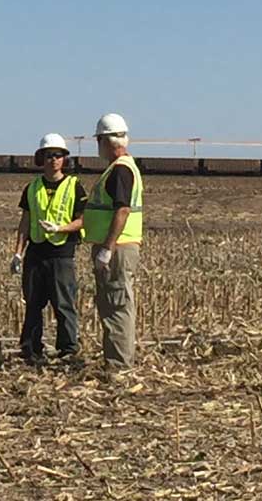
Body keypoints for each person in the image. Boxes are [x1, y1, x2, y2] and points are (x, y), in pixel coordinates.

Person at [10, 133, 87, 365]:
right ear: (40, 158)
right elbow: (25, 222)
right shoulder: (32, 188)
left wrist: (61, 228)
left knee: (63, 303)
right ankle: (31, 348)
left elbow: (84, 220)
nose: (53, 160)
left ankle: (68, 349)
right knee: (33, 302)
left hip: (61, 253)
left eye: (58, 155)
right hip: (36, 252)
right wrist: (17, 253)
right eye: (48, 155)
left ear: (64, 159)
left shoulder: (75, 186)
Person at [82, 113, 144, 371]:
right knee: (113, 304)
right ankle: (115, 361)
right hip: (119, 246)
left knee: (117, 305)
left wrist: (107, 248)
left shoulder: (120, 170)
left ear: (106, 141)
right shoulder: (121, 168)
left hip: (118, 249)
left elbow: (122, 211)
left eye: (99, 140)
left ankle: (119, 365)